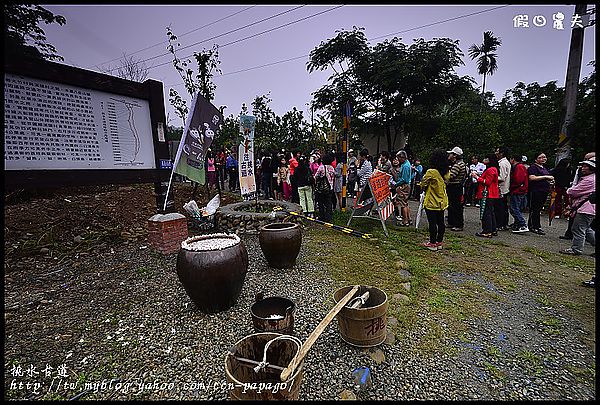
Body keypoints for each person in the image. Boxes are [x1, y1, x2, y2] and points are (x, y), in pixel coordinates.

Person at [560, 156, 595, 256]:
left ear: (591, 168)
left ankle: (576, 249)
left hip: (585, 208)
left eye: (586, 166)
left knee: (578, 228)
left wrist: (569, 190)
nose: (583, 168)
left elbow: (574, 191)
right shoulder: (591, 178)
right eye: (582, 166)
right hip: (589, 208)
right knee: (586, 229)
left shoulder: (589, 180)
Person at [418, 148, 450, 251]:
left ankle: (432, 243)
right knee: (440, 222)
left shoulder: (431, 172)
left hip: (432, 201)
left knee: (432, 223)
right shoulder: (446, 171)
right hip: (442, 201)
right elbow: (447, 180)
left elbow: (423, 183)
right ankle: (439, 242)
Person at [471, 154, 500, 238]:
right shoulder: (493, 169)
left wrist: (476, 177)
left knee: (486, 213)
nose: (484, 159)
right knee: (490, 212)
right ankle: (493, 229)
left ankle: (487, 231)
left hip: (487, 193)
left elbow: (487, 182)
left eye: (486, 158)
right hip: (491, 193)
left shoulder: (490, 170)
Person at [527, 152, 554, 235]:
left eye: (544, 157)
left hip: (544, 191)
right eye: (541, 157)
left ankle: (535, 225)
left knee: (539, 209)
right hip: (535, 191)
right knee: (535, 209)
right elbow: (532, 177)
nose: (543, 159)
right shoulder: (533, 167)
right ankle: (534, 226)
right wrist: (545, 177)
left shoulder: (545, 168)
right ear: (536, 159)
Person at [446, 146, 466, 231]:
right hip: (456, 186)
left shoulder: (458, 165)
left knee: (456, 206)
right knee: (452, 206)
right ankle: (452, 222)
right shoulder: (460, 164)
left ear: (455, 155)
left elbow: (450, 176)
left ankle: (458, 224)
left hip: (455, 187)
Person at [509, 153, 529, 233]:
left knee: (514, 208)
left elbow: (518, 179)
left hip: (518, 190)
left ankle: (522, 224)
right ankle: (517, 223)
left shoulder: (519, 167)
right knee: (517, 208)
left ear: (513, 159)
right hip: (520, 190)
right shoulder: (521, 166)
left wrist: (512, 186)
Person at [314, 152, 335, 222]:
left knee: (320, 202)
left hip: (322, 188)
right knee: (329, 202)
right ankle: (328, 217)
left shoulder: (321, 167)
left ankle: (322, 216)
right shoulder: (332, 168)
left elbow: (316, 176)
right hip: (330, 188)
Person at [495, 146, 512, 231]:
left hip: (501, 188)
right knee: (504, 208)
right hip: (505, 188)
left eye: (497, 151)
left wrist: (492, 178)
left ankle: (500, 224)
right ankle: (504, 224)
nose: (496, 153)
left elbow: (501, 177)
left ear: (501, 153)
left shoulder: (501, 163)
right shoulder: (507, 162)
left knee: (500, 208)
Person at [394, 150, 413, 226]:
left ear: (402, 158)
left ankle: (405, 221)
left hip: (404, 186)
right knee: (406, 202)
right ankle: (409, 219)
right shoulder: (406, 163)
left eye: (398, 158)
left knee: (402, 204)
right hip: (407, 185)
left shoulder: (405, 166)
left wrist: (396, 184)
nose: (397, 159)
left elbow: (404, 179)